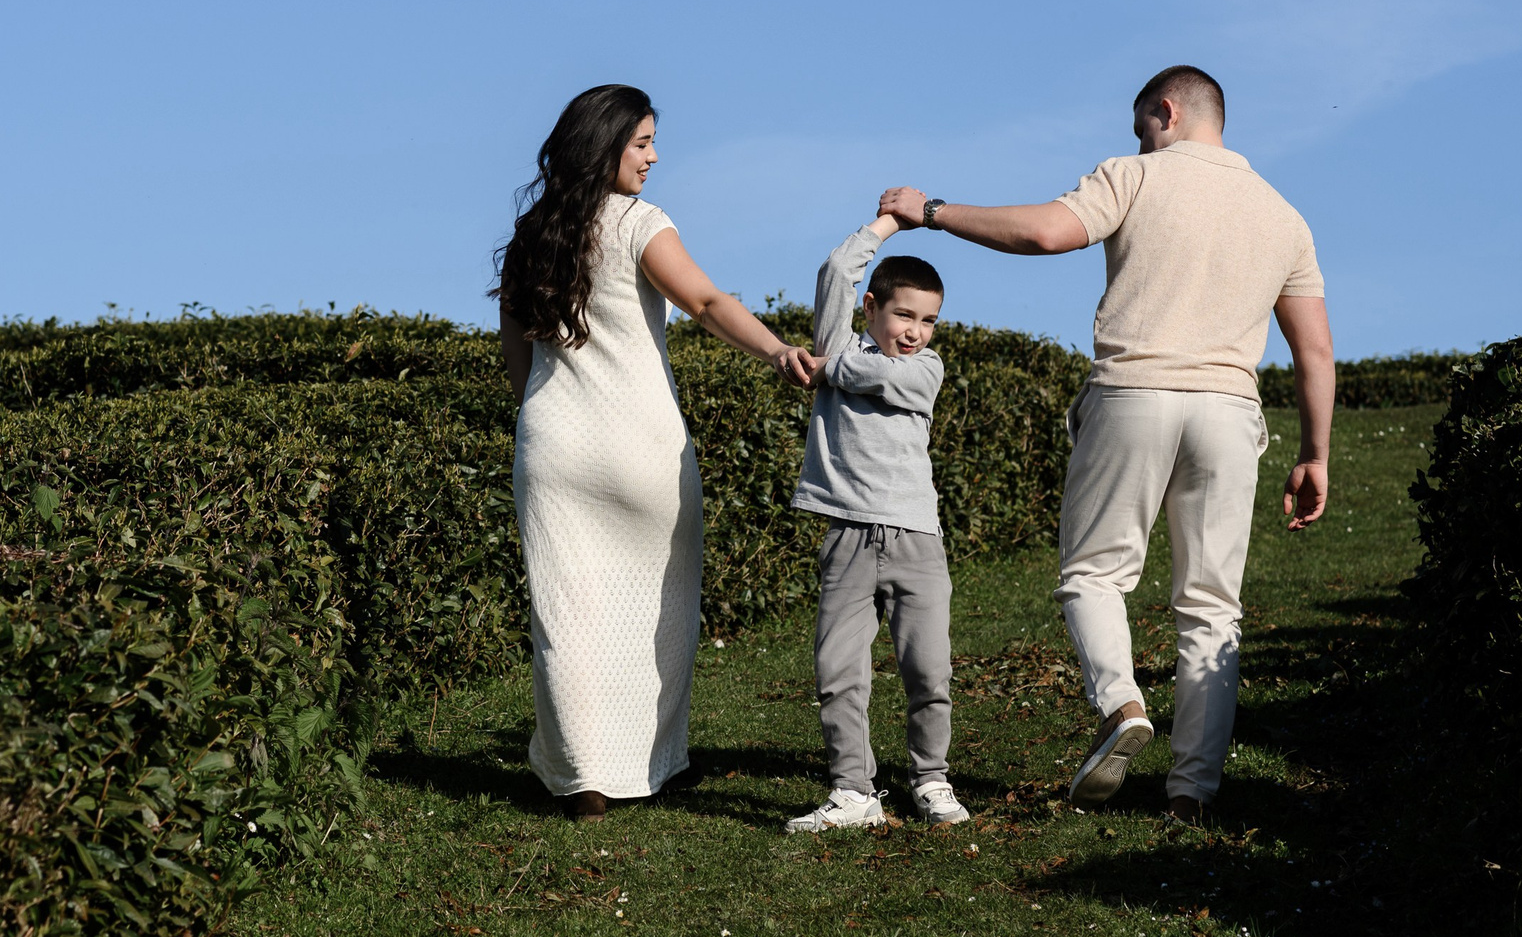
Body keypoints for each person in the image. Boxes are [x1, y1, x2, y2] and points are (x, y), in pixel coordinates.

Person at [878, 65, 1333, 823]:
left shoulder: (1136, 176)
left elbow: (1046, 231)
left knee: (1093, 575)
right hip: (1229, 412)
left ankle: (1121, 700)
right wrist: (1314, 453)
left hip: (1133, 395)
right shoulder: (1284, 216)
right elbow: (1313, 351)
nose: (1141, 141)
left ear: (1168, 110)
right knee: (1213, 609)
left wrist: (934, 211)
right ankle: (1191, 794)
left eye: (1143, 128)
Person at [494, 84, 815, 822]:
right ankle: (654, 764)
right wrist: (776, 350)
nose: (654, 155)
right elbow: (704, 302)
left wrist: (540, 414)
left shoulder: (532, 233)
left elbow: (516, 351)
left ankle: (583, 780)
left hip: (553, 443)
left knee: (564, 613)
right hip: (640, 441)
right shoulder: (640, 223)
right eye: (641, 142)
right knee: (662, 605)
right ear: (605, 145)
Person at [781, 214, 968, 834]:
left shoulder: (926, 369)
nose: (916, 332)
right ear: (870, 308)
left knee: (928, 670)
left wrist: (830, 367)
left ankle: (931, 779)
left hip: (918, 539)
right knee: (838, 671)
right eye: (904, 316)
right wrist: (887, 224)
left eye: (929, 320)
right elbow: (837, 269)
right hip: (849, 536)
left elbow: (884, 378)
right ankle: (852, 791)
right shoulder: (841, 333)